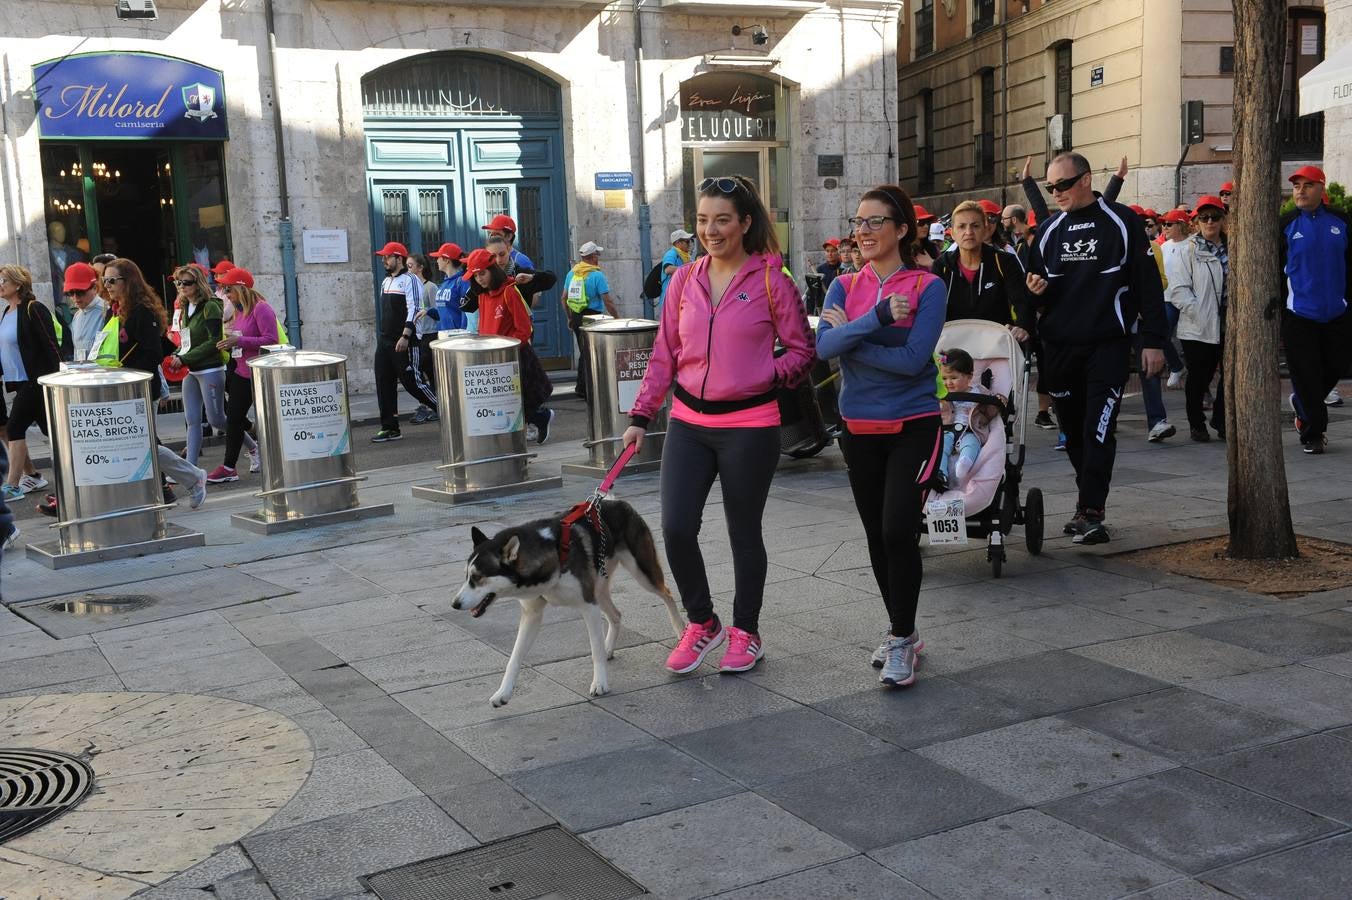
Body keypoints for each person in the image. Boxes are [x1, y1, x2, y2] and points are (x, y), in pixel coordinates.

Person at [622, 174, 812, 676]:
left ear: (746, 223)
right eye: (703, 220)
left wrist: (762, 374)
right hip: (687, 422)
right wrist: (642, 415)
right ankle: (702, 622)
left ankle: (746, 632)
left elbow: (801, 352)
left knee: (743, 531)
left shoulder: (774, 279)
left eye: (722, 220)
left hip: (751, 425)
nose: (711, 229)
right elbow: (664, 352)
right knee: (676, 527)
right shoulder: (683, 279)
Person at [815, 184, 945, 687]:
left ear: (901, 229)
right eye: (859, 222)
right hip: (858, 426)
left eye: (874, 222)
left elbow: (915, 360)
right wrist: (874, 320)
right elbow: (823, 345)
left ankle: (900, 636)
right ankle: (903, 632)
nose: (862, 231)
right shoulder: (844, 286)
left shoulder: (927, 286)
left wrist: (853, 341)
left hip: (913, 424)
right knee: (875, 535)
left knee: (897, 531)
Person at [1024, 152, 1167, 545]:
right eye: (1050, 188)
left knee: (1098, 429)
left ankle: (1091, 510)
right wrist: (1035, 293)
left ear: (1086, 179)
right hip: (1059, 348)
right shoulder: (1051, 228)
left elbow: (1148, 285)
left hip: (1107, 345)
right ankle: (1086, 502)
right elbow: (1034, 288)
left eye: (1063, 185)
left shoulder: (1123, 222)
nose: (1056, 194)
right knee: (1071, 432)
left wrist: (1153, 341)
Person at [102, 259, 208, 508]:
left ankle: (191, 478)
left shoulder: (140, 311)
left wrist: (127, 374)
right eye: (104, 280)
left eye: (112, 280)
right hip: (122, 387)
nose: (106, 285)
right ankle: (181, 482)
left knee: (143, 443)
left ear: (128, 282)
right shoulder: (116, 310)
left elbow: (152, 353)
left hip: (139, 389)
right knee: (142, 442)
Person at [1279, 165, 1352, 454]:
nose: (1300, 190)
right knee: (1306, 375)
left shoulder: (1342, 222)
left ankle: (1302, 404)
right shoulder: (1285, 225)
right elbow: (1274, 269)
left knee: (1337, 367)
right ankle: (1313, 432)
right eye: (1297, 186)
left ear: (1321, 189)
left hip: (1338, 312)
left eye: (1307, 185)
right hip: (1299, 315)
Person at [166, 264, 258, 470]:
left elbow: (213, 341)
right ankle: (190, 469)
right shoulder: (184, 308)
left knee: (218, 420)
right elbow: (187, 340)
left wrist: (184, 358)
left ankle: (253, 447)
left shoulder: (211, 306)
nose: (181, 286)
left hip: (210, 369)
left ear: (197, 284)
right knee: (192, 421)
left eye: (186, 282)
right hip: (192, 370)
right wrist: (177, 354)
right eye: (178, 282)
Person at [461, 248, 556, 443]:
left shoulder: (510, 291)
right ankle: (522, 431)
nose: (479, 279)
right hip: (493, 358)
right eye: (475, 276)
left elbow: (524, 329)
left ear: (492, 270)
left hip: (515, 355)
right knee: (504, 405)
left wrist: (507, 349)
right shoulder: (482, 296)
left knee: (518, 402)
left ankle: (539, 419)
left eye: (482, 273)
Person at [206, 267, 277, 484]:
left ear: (241, 288)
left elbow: (272, 341)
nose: (226, 294)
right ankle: (229, 467)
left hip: (260, 373)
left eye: (229, 289)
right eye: (225, 290)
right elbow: (241, 339)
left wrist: (239, 341)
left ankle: (279, 459)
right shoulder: (240, 310)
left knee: (268, 419)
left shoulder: (261, 309)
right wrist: (229, 345)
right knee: (234, 419)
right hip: (241, 371)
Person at [1166, 196, 1227, 443]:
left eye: (1215, 216)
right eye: (1204, 217)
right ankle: (1196, 423)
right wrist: (1197, 311)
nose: (1210, 221)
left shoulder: (1234, 247)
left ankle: (1221, 419)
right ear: (1196, 222)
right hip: (1197, 326)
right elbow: (1178, 288)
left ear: (1224, 219)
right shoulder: (1188, 249)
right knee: (1199, 377)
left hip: (1228, 324)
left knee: (1230, 376)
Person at [0, 266, 60, 504]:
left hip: (36, 379)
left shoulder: (33, 309)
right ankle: (37, 476)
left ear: (18, 284)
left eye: (3, 280)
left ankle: (13, 485)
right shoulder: (7, 311)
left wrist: (56, 377)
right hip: (19, 381)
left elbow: (50, 344)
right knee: (51, 431)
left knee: (14, 427)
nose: (0, 284)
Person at [931, 200, 1031, 341]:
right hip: (952, 347)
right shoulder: (941, 265)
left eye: (975, 226)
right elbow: (932, 309)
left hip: (997, 345)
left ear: (985, 229)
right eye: (961, 226)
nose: (969, 232)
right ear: (952, 233)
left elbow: (1021, 301)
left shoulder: (1005, 261)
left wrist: (1022, 327)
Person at [371, 241, 420, 443]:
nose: (384, 260)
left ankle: (446, 412)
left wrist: (406, 335)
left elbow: (414, 308)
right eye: (383, 257)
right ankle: (390, 427)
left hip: (403, 340)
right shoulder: (385, 282)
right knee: (383, 382)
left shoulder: (410, 280)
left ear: (399, 258)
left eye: (388, 256)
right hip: (384, 340)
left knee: (413, 383)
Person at [935, 348, 997, 491]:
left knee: (971, 444)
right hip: (948, 430)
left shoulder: (979, 391)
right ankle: (941, 473)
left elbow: (992, 407)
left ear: (969, 377)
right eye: (944, 379)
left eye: (953, 378)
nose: (948, 383)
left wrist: (999, 400)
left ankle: (964, 464)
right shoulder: (942, 394)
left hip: (970, 430)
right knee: (941, 447)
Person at [563, 241, 618, 399]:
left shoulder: (572, 273)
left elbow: (563, 298)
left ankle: (582, 387)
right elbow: (607, 300)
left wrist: (569, 318)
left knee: (584, 351)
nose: (598, 257)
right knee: (590, 353)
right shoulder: (596, 275)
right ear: (593, 256)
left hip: (576, 315)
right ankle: (585, 389)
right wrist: (617, 318)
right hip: (593, 317)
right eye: (597, 254)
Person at [404, 253, 441, 425]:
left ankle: (431, 405)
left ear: (420, 267)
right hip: (417, 334)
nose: (407, 269)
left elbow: (438, 310)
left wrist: (427, 312)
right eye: (406, 265)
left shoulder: (430, 287)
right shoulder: (409, 287)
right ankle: (429, 405)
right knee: (419, 370)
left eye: (410, 265)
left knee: (428, 370)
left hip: (430, 333)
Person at [65, 262, 107, 363]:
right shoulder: (76, 316)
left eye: (80, 292)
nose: (75, 297)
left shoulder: (106, 312)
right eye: (71, 293)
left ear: (95, 288)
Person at [427, 242, 469, 335]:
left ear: (446, 260)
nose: (437, 260)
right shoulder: (444, 283)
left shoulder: (462, 281)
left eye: (439, 257)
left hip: (457, 337)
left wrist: (462, 334)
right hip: (444, 336)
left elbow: (466, 312)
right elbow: (444, 311)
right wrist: (428, 311)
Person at [661, 229, 695, 305]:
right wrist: (689, 269)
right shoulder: (671, 253)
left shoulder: (686, 256)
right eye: (687, 241)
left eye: (690, 241)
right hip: (671, 298)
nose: (689, 244)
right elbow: (668, 269)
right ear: (677, 243)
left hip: (681, 297)